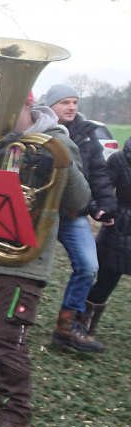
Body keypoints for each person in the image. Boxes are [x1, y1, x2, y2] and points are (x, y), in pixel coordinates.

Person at [0, 95, 89, 427]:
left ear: (25, 102)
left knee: (5, 338)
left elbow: (80, 200)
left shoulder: (59, 142)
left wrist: (58, 164)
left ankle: (18, 413)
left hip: (22, 259)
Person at [41, 83, 114, 353]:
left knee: (88, 266)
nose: (72, 107)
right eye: (65, 102)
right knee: (28, 269)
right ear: (50, 105)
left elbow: (98, 172)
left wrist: (105, 204)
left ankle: (66, 326)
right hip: (41, 213)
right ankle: (14, 322)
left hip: (73, 212)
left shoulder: (86, 134)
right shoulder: (39, 131)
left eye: (75, 102)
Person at [85, 136, 131, 335]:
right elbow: (100, 189)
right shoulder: (120, 159)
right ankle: (82, 323)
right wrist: (101, 210)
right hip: (120, 227)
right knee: (106, 281)